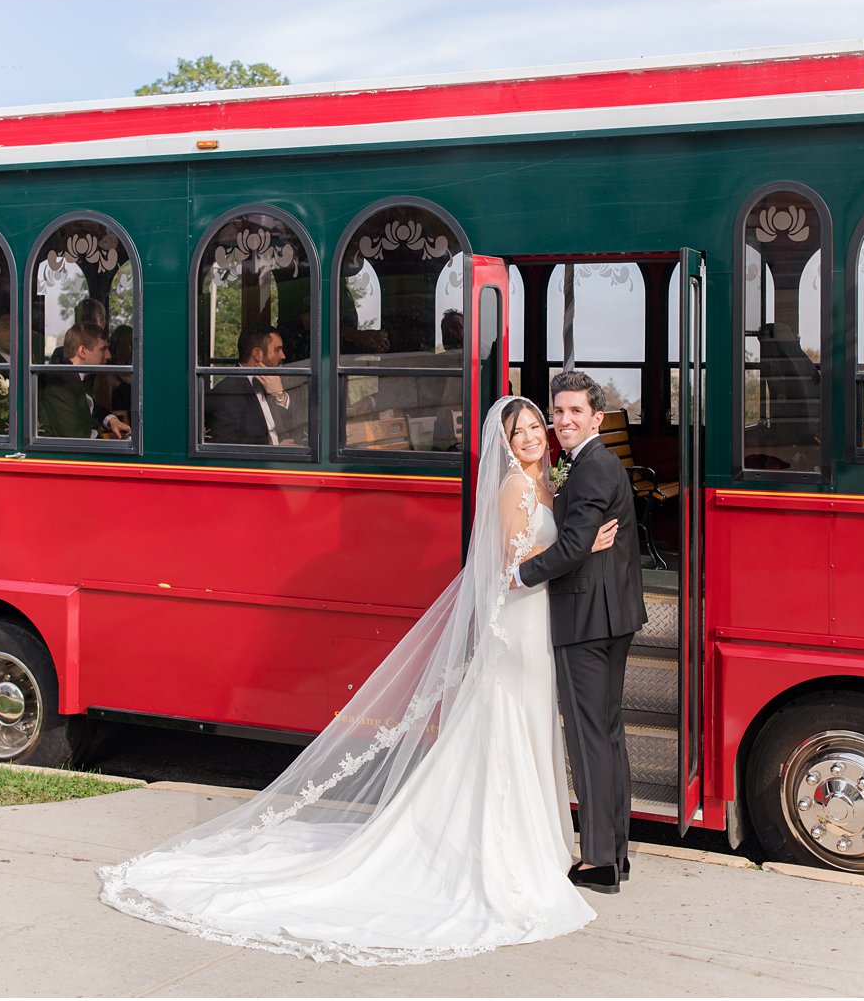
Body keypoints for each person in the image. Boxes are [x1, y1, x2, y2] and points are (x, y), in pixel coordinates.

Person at [100, 396, 621, 964]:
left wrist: (574, 547)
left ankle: (541, 844)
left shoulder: (547, 485)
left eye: (535, 428)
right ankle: (512, 847)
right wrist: (578, 549)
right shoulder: (514, 491)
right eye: (518, 432)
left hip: (540, 625)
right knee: (512, 729)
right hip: (518, 626)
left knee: (533, 727)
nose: (532, 438)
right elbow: (508, 569)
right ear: (503, 441)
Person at [516, 369, 647, 894]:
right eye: (559, 411)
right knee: (608, 736)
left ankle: (597, 861)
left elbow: (572, 547)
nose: (564, 420)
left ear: (597, 416)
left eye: (575, 412)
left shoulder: (591, 467)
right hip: (611, 614)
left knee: (590, 739)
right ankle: (614, 852)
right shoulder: (592, 462)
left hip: (586, 619)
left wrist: (516, 576)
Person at [37, 321, 131, 440]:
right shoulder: (60, 385)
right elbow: (76, 438)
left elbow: (89, 402)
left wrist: (111, 419)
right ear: (82, 351)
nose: (108, 356)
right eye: (103, 349)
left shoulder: (69, 376)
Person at [203, 326, 292, 445]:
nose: (283, 356)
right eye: (277, 350)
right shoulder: (227, 392)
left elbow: (291, 424)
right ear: (257, 354)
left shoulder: (273, 381)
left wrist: (279, 394)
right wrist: (276, 450)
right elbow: (227, 445)